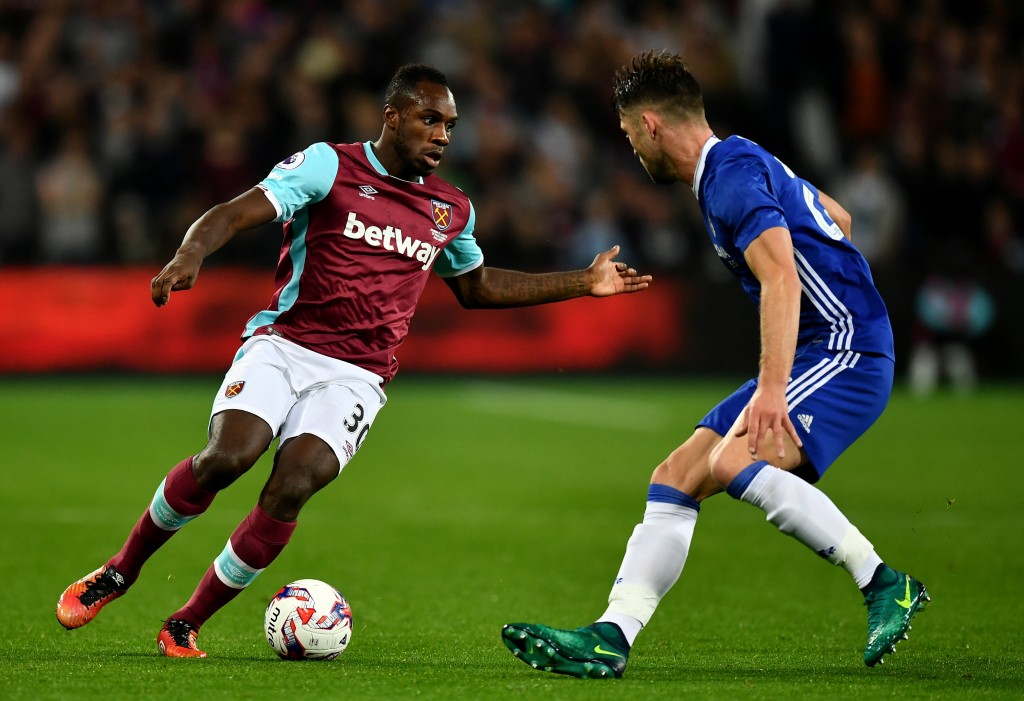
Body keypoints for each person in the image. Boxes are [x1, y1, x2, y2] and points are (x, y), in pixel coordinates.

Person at [54, 63, 651, 658]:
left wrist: (583, 281)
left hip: (357, 377)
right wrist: (190, 254)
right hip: (283, 347)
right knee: (228, 457)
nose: (443, 134)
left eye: (450, 124)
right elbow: (235, 211)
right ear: (391, 116)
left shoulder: (450, 208)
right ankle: (119, 572)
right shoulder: (328, 165)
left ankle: (185, 621)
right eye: (429, 119)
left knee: (292, 486)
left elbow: (479, 287)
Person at [502, 51, 929, 679]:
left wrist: (776, 387)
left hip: (846, 349)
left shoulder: (728, 178)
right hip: (826, 343)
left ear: (650, 125)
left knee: (733, 461)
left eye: (627, 136)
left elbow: (780, 274)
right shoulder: (739, 161)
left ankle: (883, 581)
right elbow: (835, 217)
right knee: (676, 475)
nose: (631, 151)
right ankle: (610, 636)